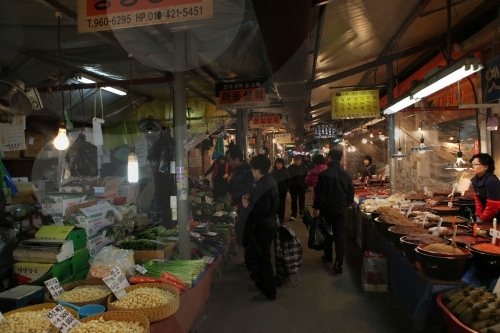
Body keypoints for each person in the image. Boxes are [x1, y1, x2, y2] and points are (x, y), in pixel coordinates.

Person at [241, 154, 279, 301]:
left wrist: (247, 206)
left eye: (252, 169)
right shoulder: (266, 181)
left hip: (263, 226)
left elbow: (263, 208)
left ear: (257, 169)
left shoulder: (265, 184)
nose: (251, 172)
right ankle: (261, 284)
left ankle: (269, 291)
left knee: (264, 259)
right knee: (261, 257)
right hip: (266, 224)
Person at [313, 149, 354, 274]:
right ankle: (338, 262)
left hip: (327, 209)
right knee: (339, 235)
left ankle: (328, 255)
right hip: (340, 210)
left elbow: (320, 194)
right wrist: (347, 204)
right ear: (340, 159)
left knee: (327, 233)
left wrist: (317, 208)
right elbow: (351, 192)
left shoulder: (324, 174)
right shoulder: (346, 174)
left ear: (329, 158)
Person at [226, 145, 255, 245]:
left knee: (246, 231)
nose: (229, 164)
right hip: (239, 205)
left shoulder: (248, 171)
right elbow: (230, 185)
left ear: (237, 159)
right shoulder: (237, 171)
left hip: (246, 206)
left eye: (230, 160)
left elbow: (249, 189)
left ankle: (249, 258)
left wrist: (233, 197)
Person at [469, 153, 500, 223]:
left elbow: (493, 205)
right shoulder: (475, 180)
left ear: (486, 167)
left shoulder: (492, 180)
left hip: (496, 218)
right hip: (485, 217)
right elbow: (478, 200)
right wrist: (478, 215)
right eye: (472, 164)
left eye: (475, 164)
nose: (472, 167)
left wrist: (483, 219)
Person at [287, 155, 309, 220]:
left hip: (302, 187)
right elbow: (288, 177)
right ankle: (294, 214)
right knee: (294, 201)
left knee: (302, 201)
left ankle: (302, 213)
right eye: (295, 160)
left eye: (298, 160)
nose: (297, 162)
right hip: (293, 187)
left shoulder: (304, 167)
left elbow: (307, 177)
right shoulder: (290, 168)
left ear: (300, 161)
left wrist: (305, 185)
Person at [271, 158, 290, 224]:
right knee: (275, 204)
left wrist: (286, 188)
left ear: (282, 164)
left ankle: (281, 218)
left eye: (280, 163)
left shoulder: (285, 171)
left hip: (282, 191)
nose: (278, 165)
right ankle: (276, 217)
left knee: (282, 204)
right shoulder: (273, 172)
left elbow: (288, 181)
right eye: (277, 163)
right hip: (275, 191)